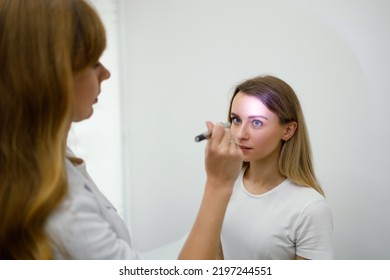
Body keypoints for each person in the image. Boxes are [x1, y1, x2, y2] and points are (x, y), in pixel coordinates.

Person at [0, 0, 242, 259]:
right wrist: (218, 184)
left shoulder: (36, 153)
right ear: (51, 76)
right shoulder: (60, 205)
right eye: (93, 63)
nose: (106, 73)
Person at [219, 75, 334, 260]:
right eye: (236, 120)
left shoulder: (311, 209)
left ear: (288, 130)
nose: (240, 134)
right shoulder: (227, 181)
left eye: (256, 122)